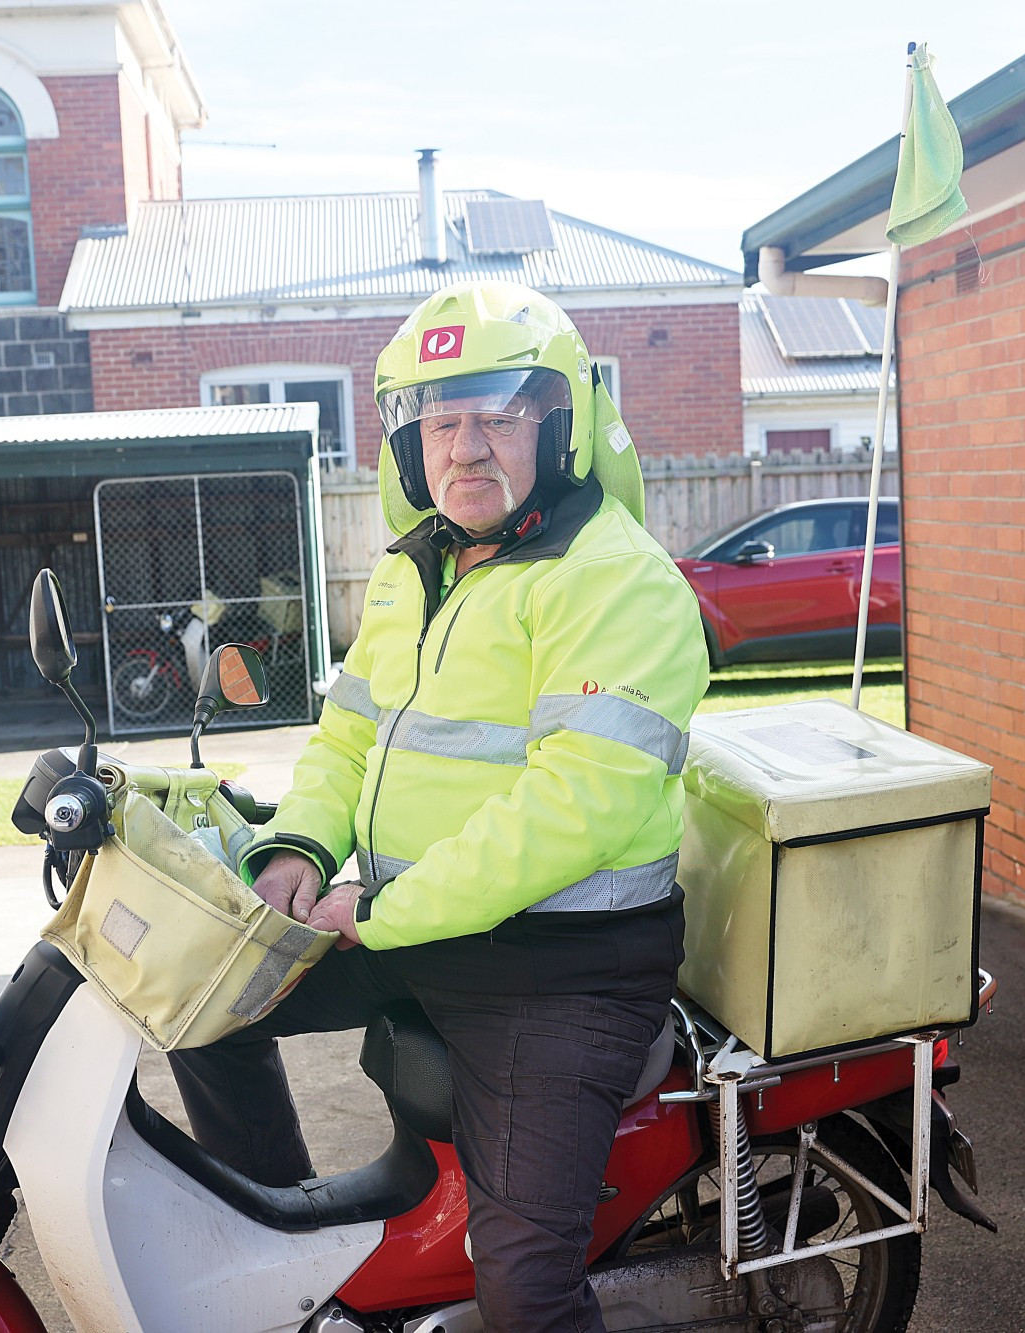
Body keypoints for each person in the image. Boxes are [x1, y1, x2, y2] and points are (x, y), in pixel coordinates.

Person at [168, 280, 708, 1331]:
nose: (464, 447)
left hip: (559, 970)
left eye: (497, 414)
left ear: (561, 425)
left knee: (525, 1289)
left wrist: (372, 914)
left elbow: (573, 809)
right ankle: (284, 1271)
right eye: (439, 418)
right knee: (196, 995)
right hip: (420, 925)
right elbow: (347, 736)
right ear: (406, 440)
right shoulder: (419, 572)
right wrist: (299, 851)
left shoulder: (615, 583)